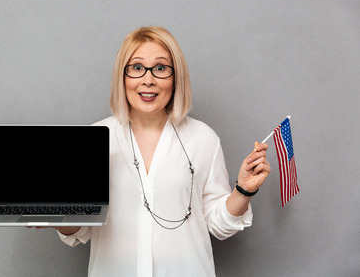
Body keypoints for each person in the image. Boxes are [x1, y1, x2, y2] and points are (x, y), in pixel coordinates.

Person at [49, 26, 271, 276]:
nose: (148, 80)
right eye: (136, 68)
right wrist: (60, 217)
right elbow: (81, 231)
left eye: (161, 68)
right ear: (122, 77)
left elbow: (219, 226)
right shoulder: (93, 140)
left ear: (176, 78)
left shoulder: (203, 138)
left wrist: (244, 190)